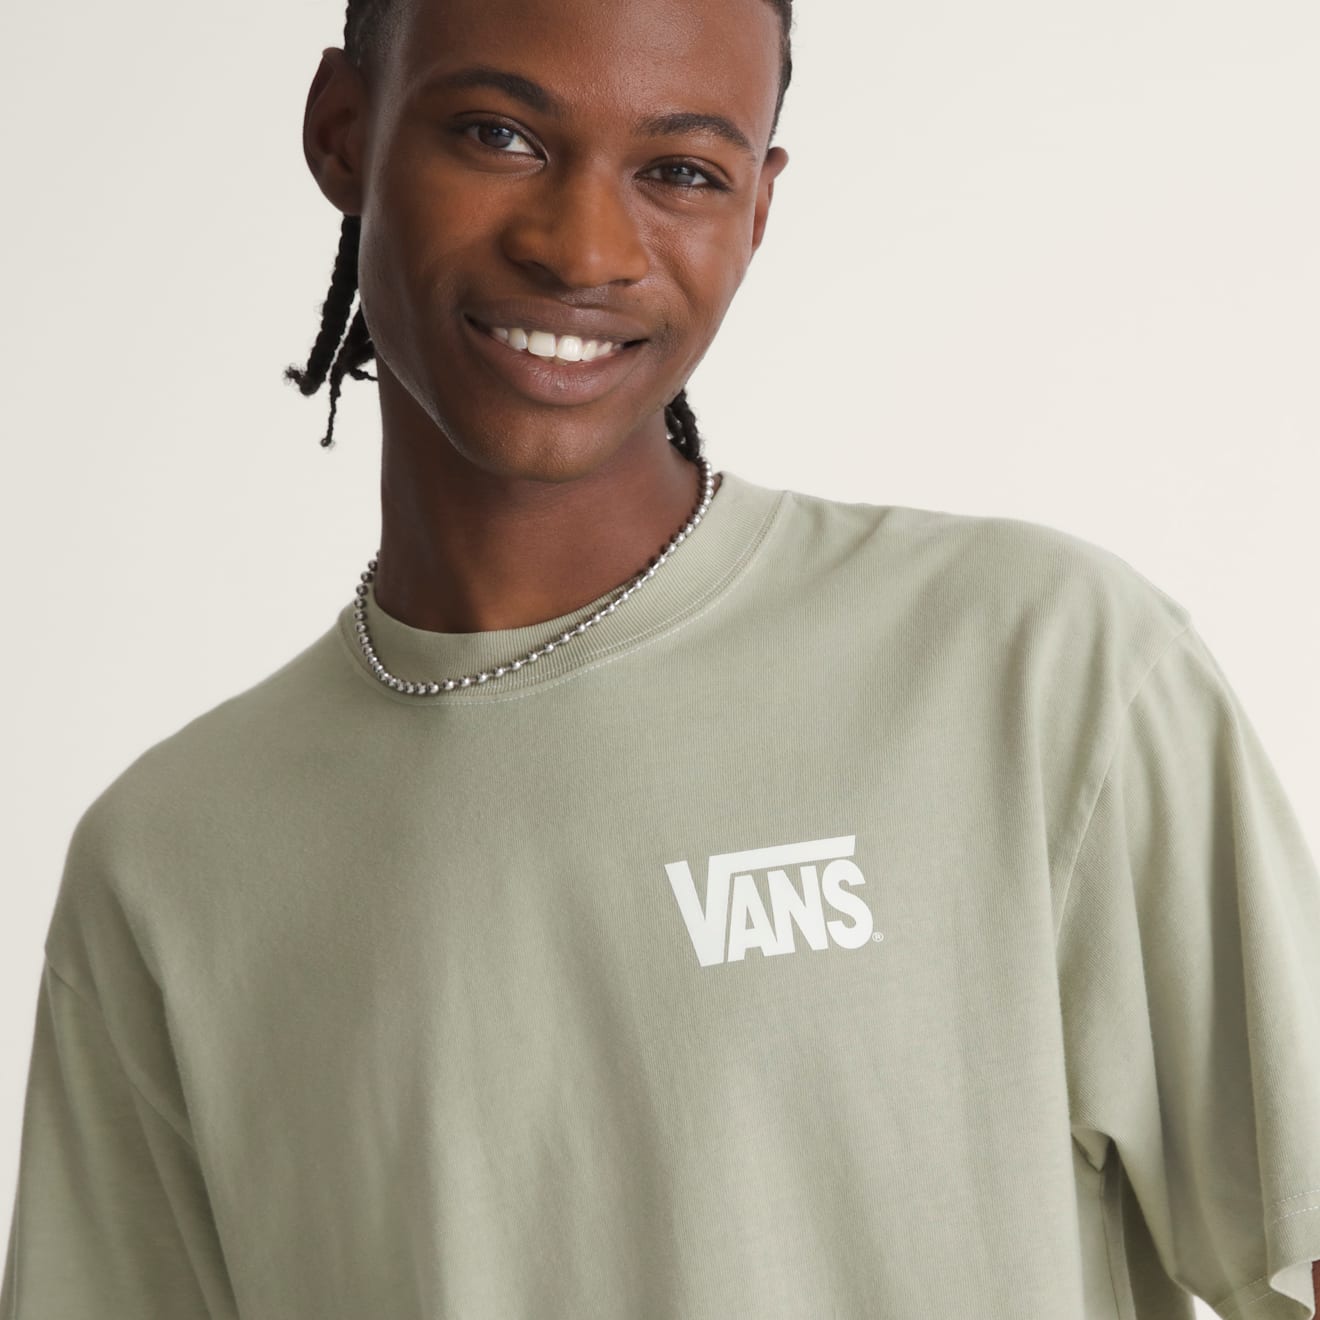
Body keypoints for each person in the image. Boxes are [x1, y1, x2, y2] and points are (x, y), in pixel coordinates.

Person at [3, 0, 1318, 1315]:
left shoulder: (1035, 669)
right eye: (499, 135)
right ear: (343, 133)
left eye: (682, 170)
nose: (581, 247)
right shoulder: (169, 862)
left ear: (758, 207)